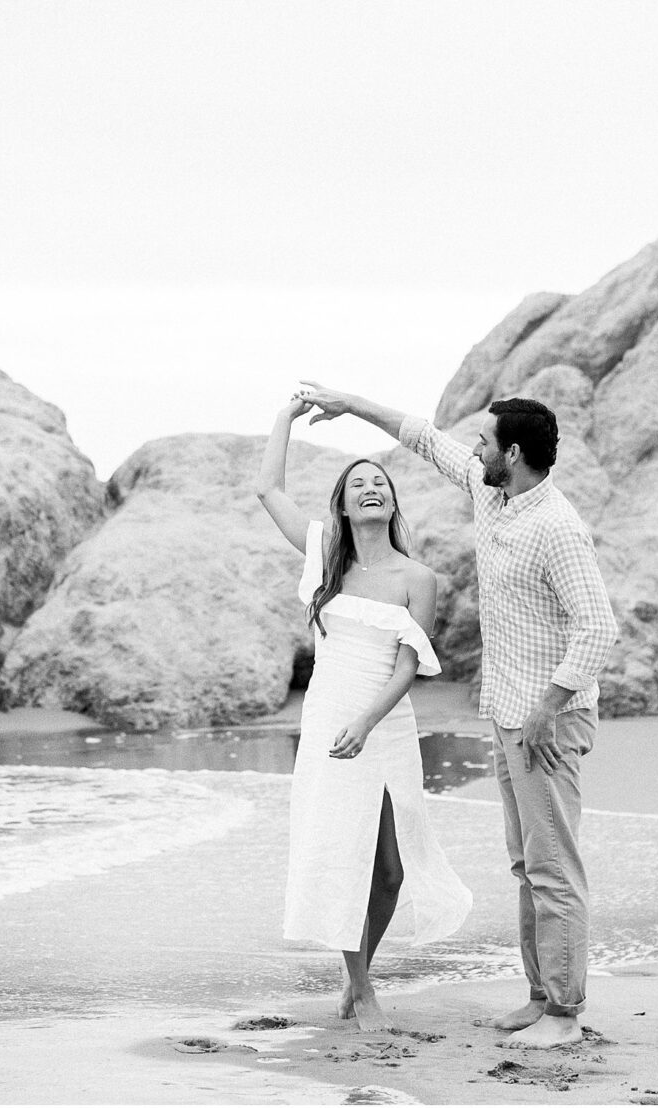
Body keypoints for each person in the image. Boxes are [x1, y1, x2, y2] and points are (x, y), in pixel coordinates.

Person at [298, 383, 618, 1048]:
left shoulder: (556, 529)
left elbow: (598, 630)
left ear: (516, 452)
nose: (474, 451)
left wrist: (547, 707)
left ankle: (564, 1012)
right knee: (526, 865)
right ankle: (539, 997)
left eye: (485, 442)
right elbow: (422, 437)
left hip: (546, 721)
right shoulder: (492, 493)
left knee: (553, 866)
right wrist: (351, 404)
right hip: (509, 715)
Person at [256, 393, 472, 1030]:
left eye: (380, 482)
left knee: (390, 869)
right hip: (329, 720)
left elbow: (410, 668)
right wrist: (285, 417)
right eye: (359, 485)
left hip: (384, 723)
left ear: (392, 503)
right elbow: (267, 488)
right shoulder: (324, 556)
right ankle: (361, 987)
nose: (371, 489)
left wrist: (368, 722)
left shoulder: (418, 578)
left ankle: (359, 978)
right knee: (344, 853)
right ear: (344, 505)